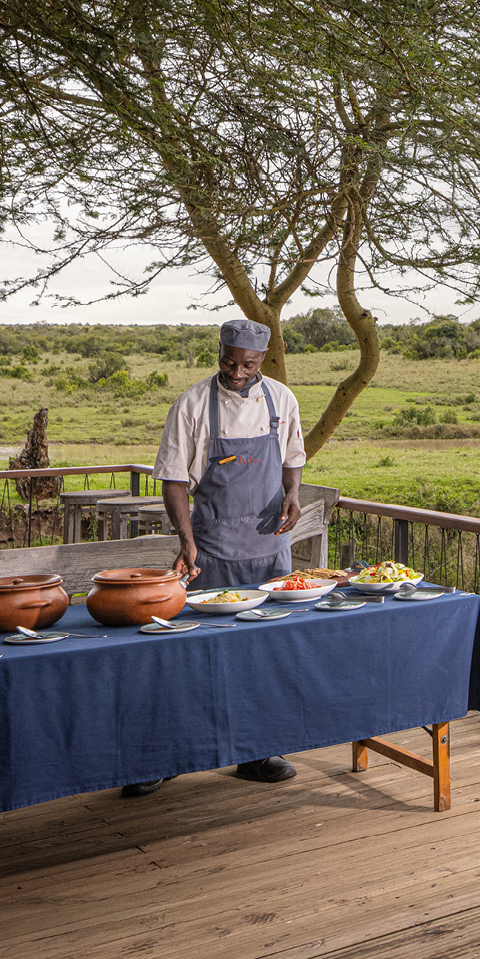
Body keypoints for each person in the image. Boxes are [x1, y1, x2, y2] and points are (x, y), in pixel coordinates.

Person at [121, 318, 307, 798]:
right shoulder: (193, 404)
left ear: (262, 360)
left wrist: (292, 494)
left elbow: (292, 459)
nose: (238, 372)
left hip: (270, 553)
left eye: (248, 364)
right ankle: (170, 757)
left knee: (261, 654)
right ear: (219, 351)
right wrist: (186, 540)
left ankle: (257, 752)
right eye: (229, 361)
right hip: (212, 551)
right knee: (194, 652)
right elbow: (174, 479)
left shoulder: (282, 400)